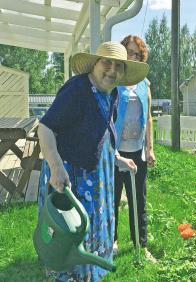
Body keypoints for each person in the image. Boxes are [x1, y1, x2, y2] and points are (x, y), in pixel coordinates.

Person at [37, 41, 149, 282]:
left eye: (118, 65)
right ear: (94, 64)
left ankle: (89, 273)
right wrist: (56, 167)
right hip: (70, 172)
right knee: (72, 229)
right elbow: (45, 128)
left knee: (93, 225)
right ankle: (68, 274)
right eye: (107, 62)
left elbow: (103, 133)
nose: (112, 70)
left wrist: (116, 158)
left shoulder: (114, 93)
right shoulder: (77, 89)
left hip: (98, 176)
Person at [114, 35, 156, 260]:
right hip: (116, 152)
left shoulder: (144, 83)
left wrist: (150, 148)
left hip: (137, 152)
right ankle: (112, 243)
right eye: (130, 52)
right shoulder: (114, 80)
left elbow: (148, 117)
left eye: (138, 54)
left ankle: (141, 245)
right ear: (122, 54)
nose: (134, 56)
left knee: (138, 200)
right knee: (112, 199)